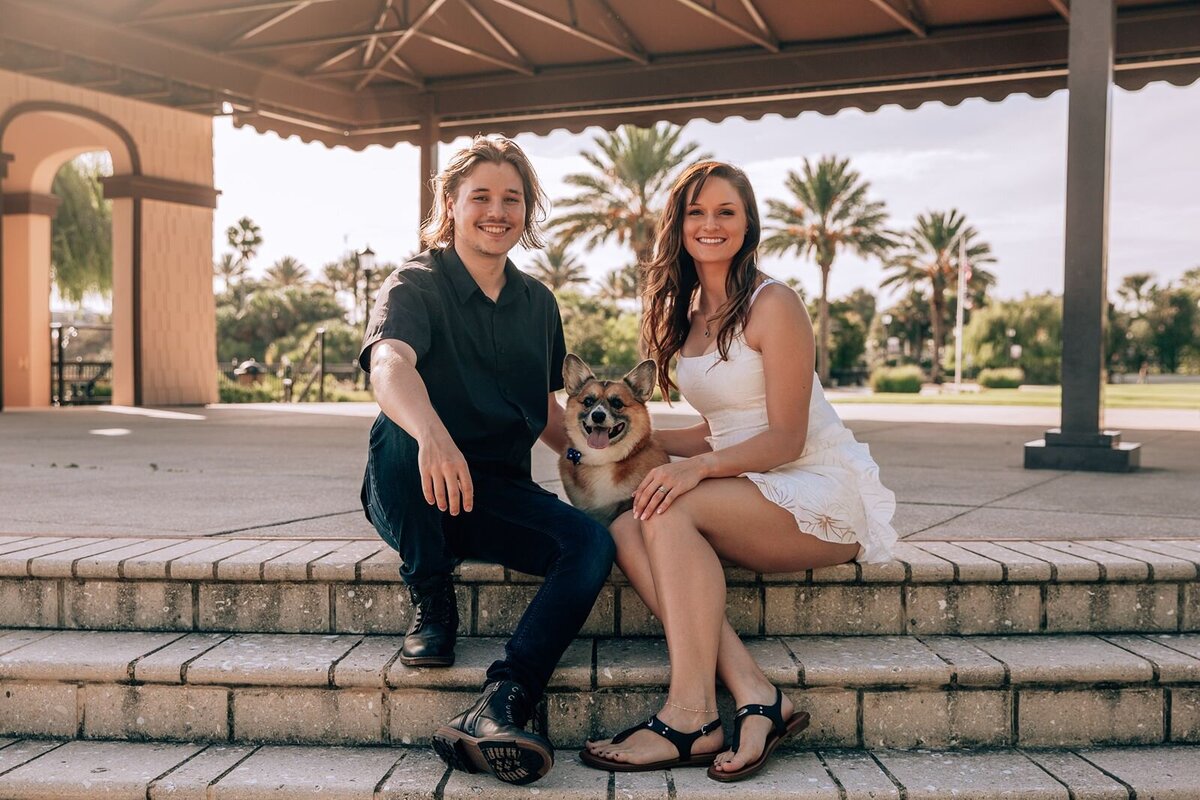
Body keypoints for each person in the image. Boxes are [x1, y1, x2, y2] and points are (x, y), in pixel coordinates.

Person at [581, 161, 896, 782]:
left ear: (748, 222)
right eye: (697, 212)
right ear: (679, 224)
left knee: (667, 504)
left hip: (817, 491)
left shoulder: (773, 303)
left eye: (727, 211)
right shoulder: (690, 310)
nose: (711, 224)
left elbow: (784, 435)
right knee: (624, 528)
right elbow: (720, 428)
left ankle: (691, 714)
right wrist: (617, 442)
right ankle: (756, 692)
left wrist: (696, 470)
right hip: (749, 482)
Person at [359, 135, 615, 786]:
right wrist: (434, 435)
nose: (497, 211)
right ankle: (430, 593)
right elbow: (389, 365)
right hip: (413, 488)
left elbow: (553, 416)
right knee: (399, 430)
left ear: (528, 210)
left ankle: (504, 702)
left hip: (491, 494)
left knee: (587, 544)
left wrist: (625, 461)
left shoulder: (539, 306)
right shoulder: (415, 282)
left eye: (513, 198)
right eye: (481, 197)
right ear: (451, 203)